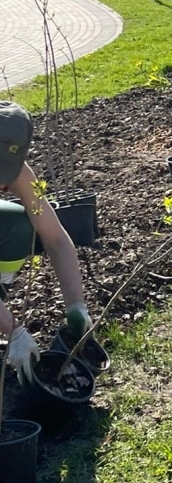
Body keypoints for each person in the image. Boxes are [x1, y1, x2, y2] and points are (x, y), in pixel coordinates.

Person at [0, 101, 92, 382]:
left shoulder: (14, 166)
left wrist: (77, 306)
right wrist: (13, 329)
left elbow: (55, 238)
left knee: (17, 225)